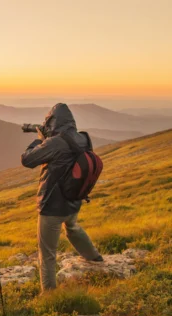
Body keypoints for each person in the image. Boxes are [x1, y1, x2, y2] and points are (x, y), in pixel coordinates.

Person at [21, 103, 103, 292]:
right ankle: (94, 257)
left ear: (52, 122)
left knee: (47, 253)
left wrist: (38, 140)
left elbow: (27, 160)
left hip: (52, 205)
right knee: (72, 227)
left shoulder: (54, 143)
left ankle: (49, 295)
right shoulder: (83, 138)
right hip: (73, 199)